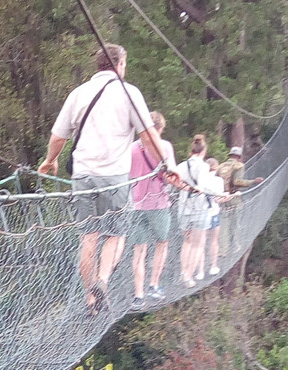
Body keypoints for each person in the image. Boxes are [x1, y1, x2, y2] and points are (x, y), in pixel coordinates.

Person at [38, 44, 173, 313]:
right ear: (120, 65)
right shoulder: (129, 92)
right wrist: (167, 164)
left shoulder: (78, 94)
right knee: (114, 235)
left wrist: (50, 160)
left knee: (88, 238)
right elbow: (147, 135)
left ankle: (90, 300)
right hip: (114, 179)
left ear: (98, 66)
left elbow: (58, 137)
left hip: (83, 176)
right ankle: (102, 280)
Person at [129, 111, 176, 308]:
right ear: (160, 129)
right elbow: (170, 176)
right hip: (159, 204)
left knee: (139, 250)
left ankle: (138, 296)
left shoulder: (131, 148)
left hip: (136, 205)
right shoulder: (164, 147)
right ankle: (154, 285)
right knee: (161, 244)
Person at [176, 134, 223, 288]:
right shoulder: (204, 166)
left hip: (183, 207)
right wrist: (220, 194)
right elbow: (203, 187)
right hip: (199, 209)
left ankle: (183, 272)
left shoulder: (181, 166)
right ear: (204, 151)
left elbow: (175, 183)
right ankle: (189, 277)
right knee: (198, 244)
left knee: (187, 242)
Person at [216, 145, 264, 256]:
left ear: (230, 155)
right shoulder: (239, 166)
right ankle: (235, 246)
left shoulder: (221, 166)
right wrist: (253, 181)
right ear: (239, 157)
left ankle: (222, 250)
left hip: (222, 198)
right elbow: (237, 181)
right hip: (234, 199)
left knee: (224, 226)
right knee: (235, 224)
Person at [203, 157, 225, 278]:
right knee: (213, 240)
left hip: (199, 213)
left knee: (199, 243)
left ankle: (199, 270)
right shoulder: (218, 180)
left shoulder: (201, 179)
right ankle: (213, 266)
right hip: (213, 213)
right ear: (216, 168)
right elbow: (218, 198)